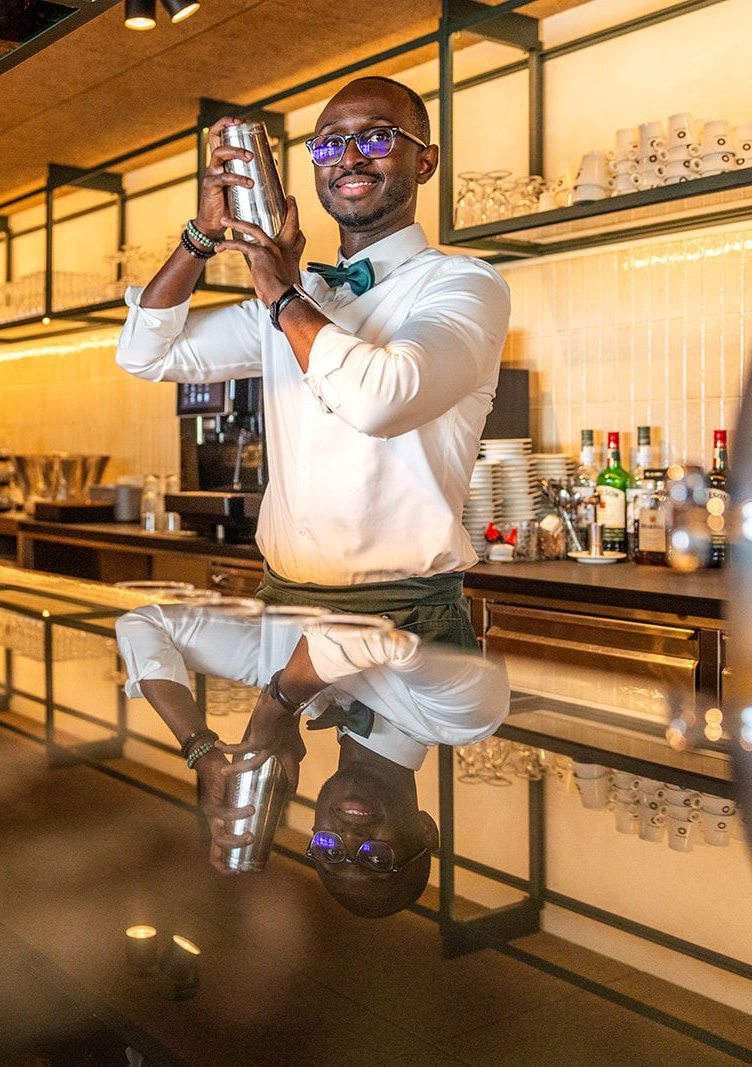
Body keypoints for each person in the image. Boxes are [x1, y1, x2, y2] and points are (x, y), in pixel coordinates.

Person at [115, 76, 511, 649]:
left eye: (377, 137)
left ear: (425, 162)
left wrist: (281, 296)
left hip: (404, 616)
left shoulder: (464, 284)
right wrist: (201, 236)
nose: (349, 157)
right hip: (281, 607)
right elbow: (144, 353)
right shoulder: (303, 297)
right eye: (329, 143)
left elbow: (382, 400)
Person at [115, 602, 508, 917]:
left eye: (330, 850)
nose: (350, 840)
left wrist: (202, 751)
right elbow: (359, 628)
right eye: (376, 858)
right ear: (425, 831)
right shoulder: (464, 719)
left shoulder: (293, 682)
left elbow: (144, 625)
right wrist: (277, 709)